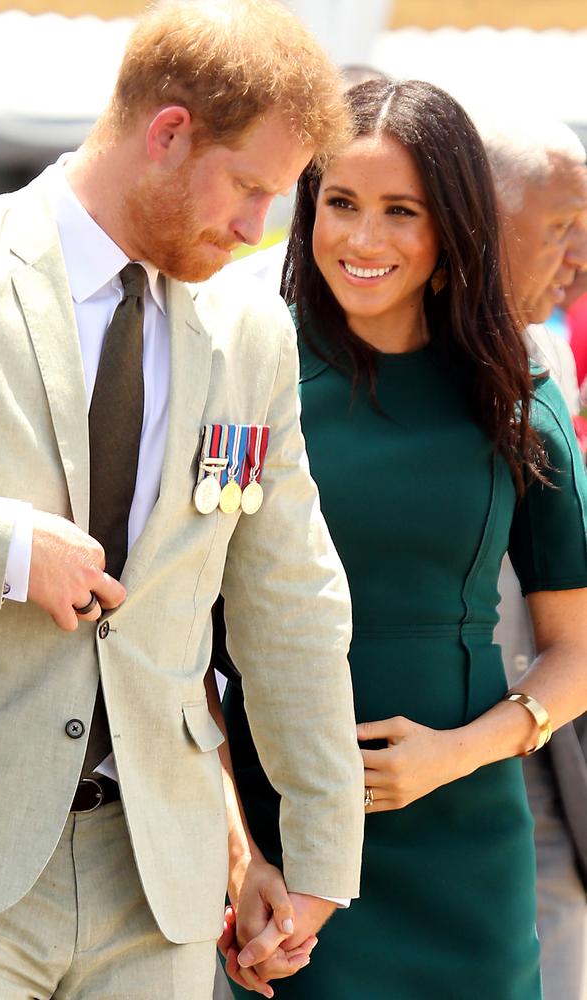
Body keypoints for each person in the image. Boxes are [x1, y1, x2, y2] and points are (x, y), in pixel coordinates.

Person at [0, 3, 367, 998]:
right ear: (168, 131)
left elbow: (291, 606)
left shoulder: (253, 333)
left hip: (159, 889)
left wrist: (309, 861)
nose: (259, 228)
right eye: (250, 186)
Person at [219, 78, 587, 998]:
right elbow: (176, 647)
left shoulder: (518, 394)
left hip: (468, 854)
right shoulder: (238, 379)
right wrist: (238, 856)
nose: (363, 239)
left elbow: (577, 650)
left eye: (401, 211)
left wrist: (460, 752)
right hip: (291, 859)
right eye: (340, 204)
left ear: (452, 225)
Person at [479, 115, 587, 1000]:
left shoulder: (545, 351)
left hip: (546, 743)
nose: (576, 256)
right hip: (426, 755)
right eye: (560, 227)